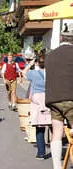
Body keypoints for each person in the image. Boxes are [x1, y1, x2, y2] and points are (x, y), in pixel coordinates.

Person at [45, 31, 73, 169]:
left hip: (53, 99)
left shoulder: (50, 55)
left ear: (61, 38)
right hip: (70, 98)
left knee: (57, 132)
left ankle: (57, 166)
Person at [23, 54, 51, 160]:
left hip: (37, 103)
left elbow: (23, 73)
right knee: (53, 128)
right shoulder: (50, 73)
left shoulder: (33, 73)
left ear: (37, 63)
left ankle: (41, 153)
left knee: (40, 129)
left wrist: (30, 64)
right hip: (49, 100)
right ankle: (56, 150)